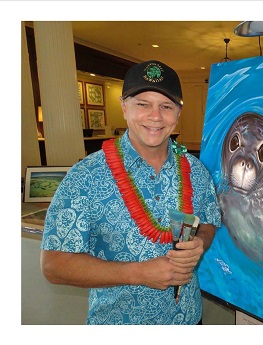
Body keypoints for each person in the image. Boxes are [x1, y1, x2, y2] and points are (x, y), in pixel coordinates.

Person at [40, 60, 222, 325]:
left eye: (166, 106)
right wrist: (139, 273)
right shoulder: (85, 176)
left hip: (189, 320)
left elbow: (208, 221)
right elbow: (53, 265)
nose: (155, 116)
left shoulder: (195, 171)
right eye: (143, 104)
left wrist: (200, 242)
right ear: (124, 107)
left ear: (178, 113)